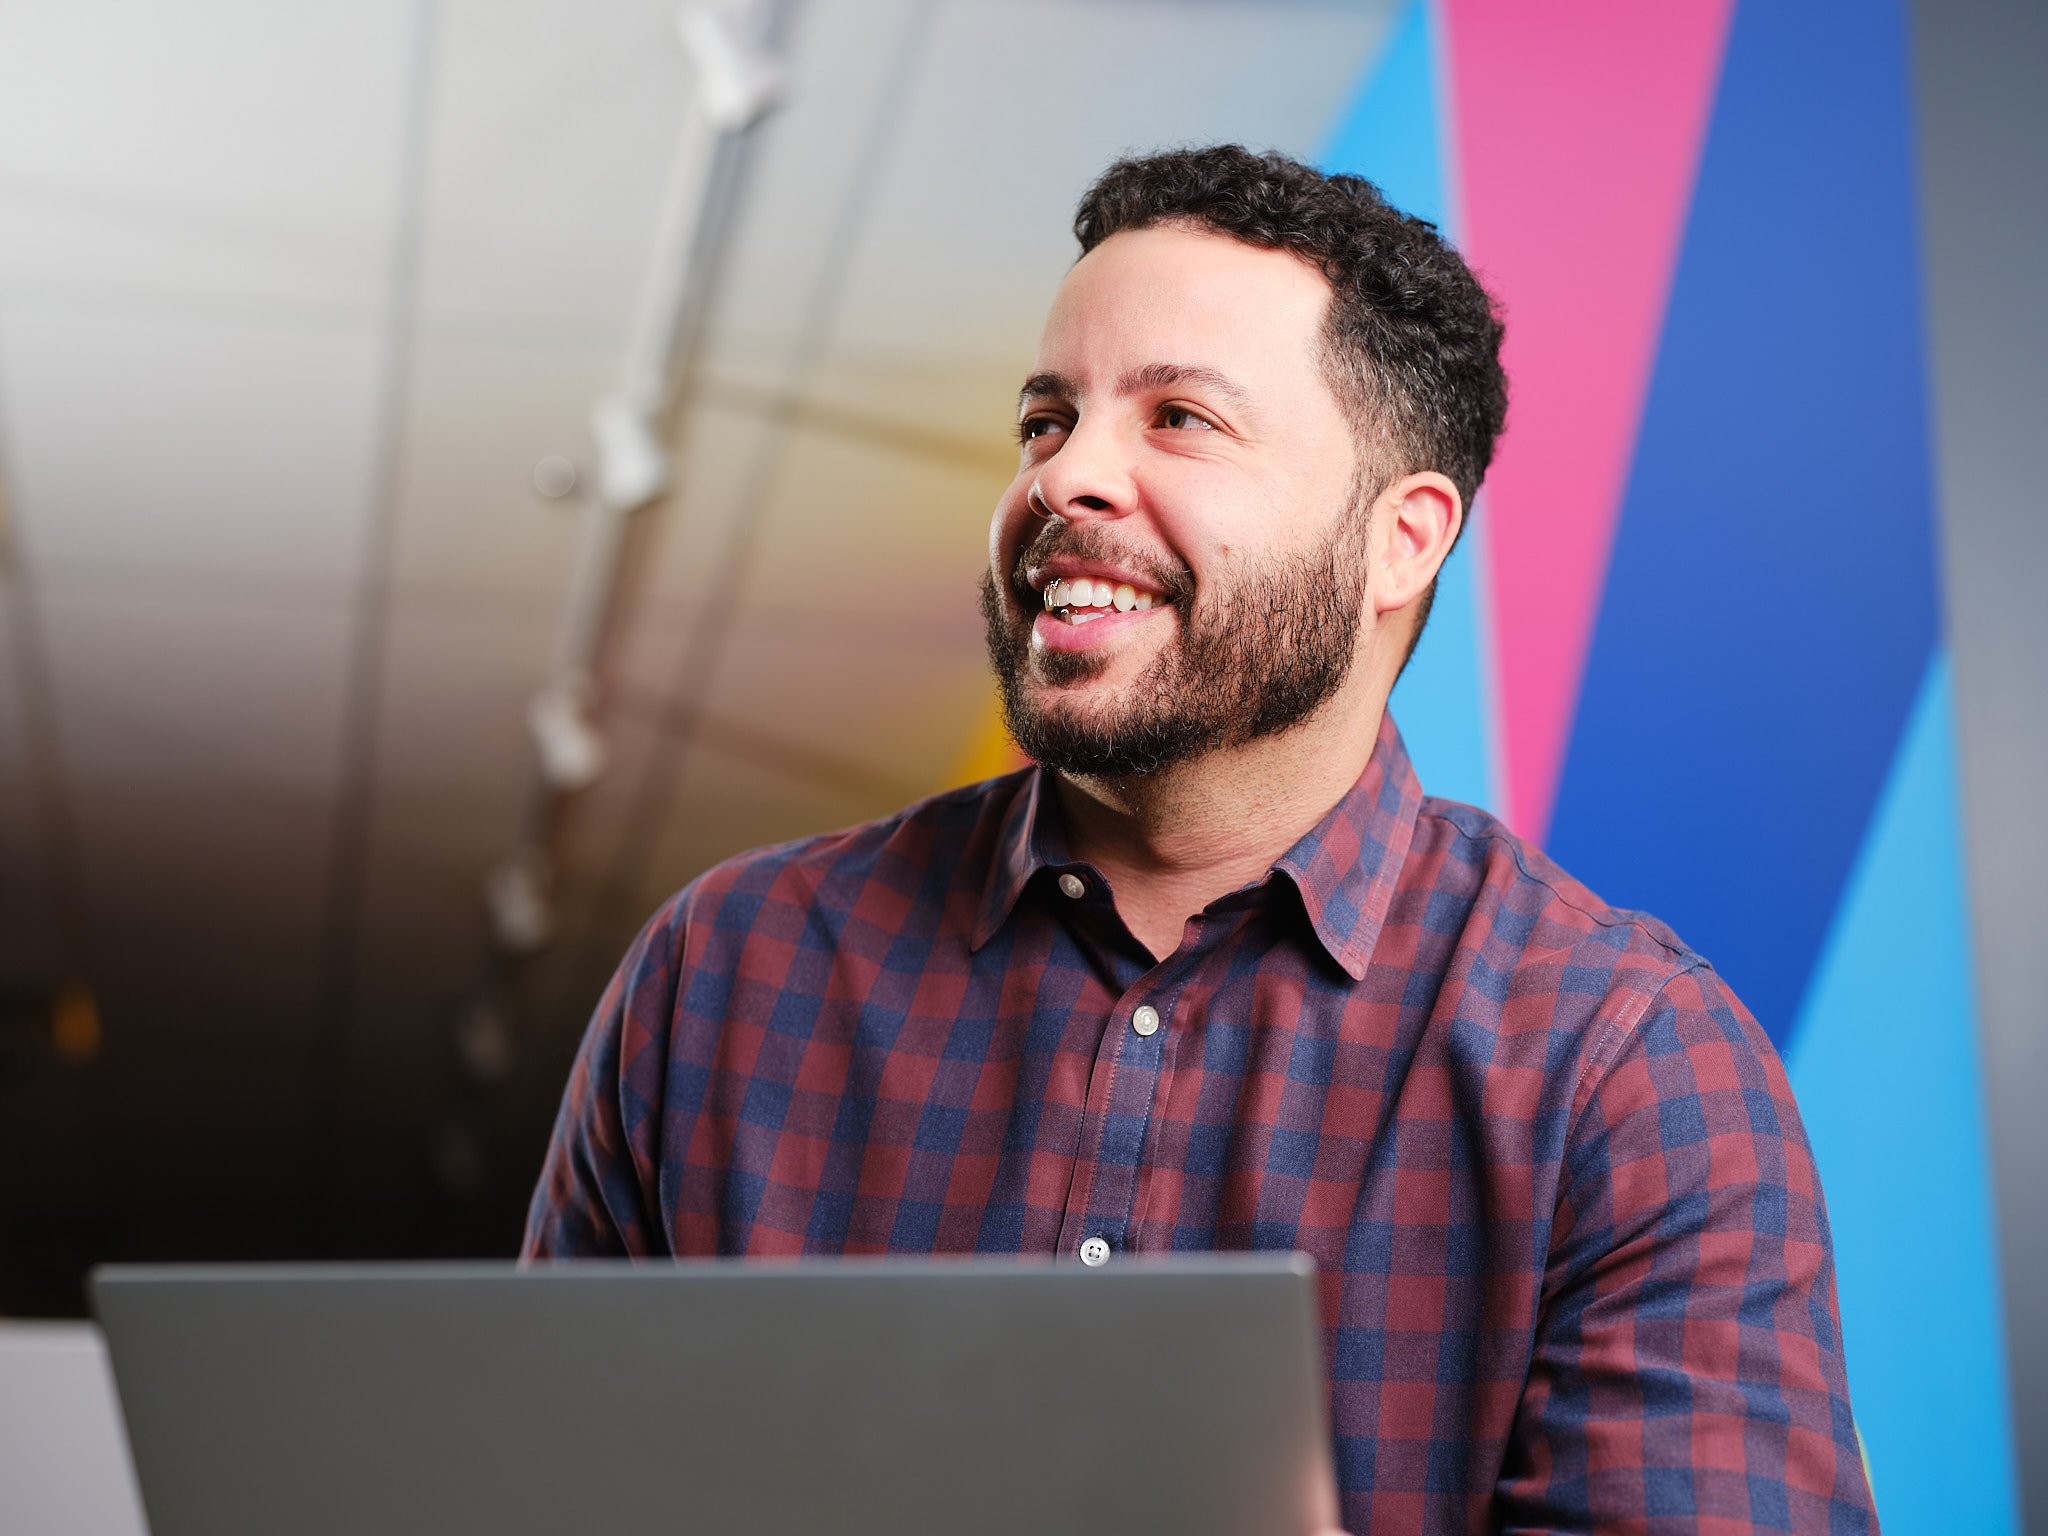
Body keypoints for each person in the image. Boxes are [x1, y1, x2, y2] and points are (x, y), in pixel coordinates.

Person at [524, 145, 1879, 1534]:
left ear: (1399, 544)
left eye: (1179, 419)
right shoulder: (726, 979)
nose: (1067, 480)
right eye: (1047, 419)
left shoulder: (1622, 1068)